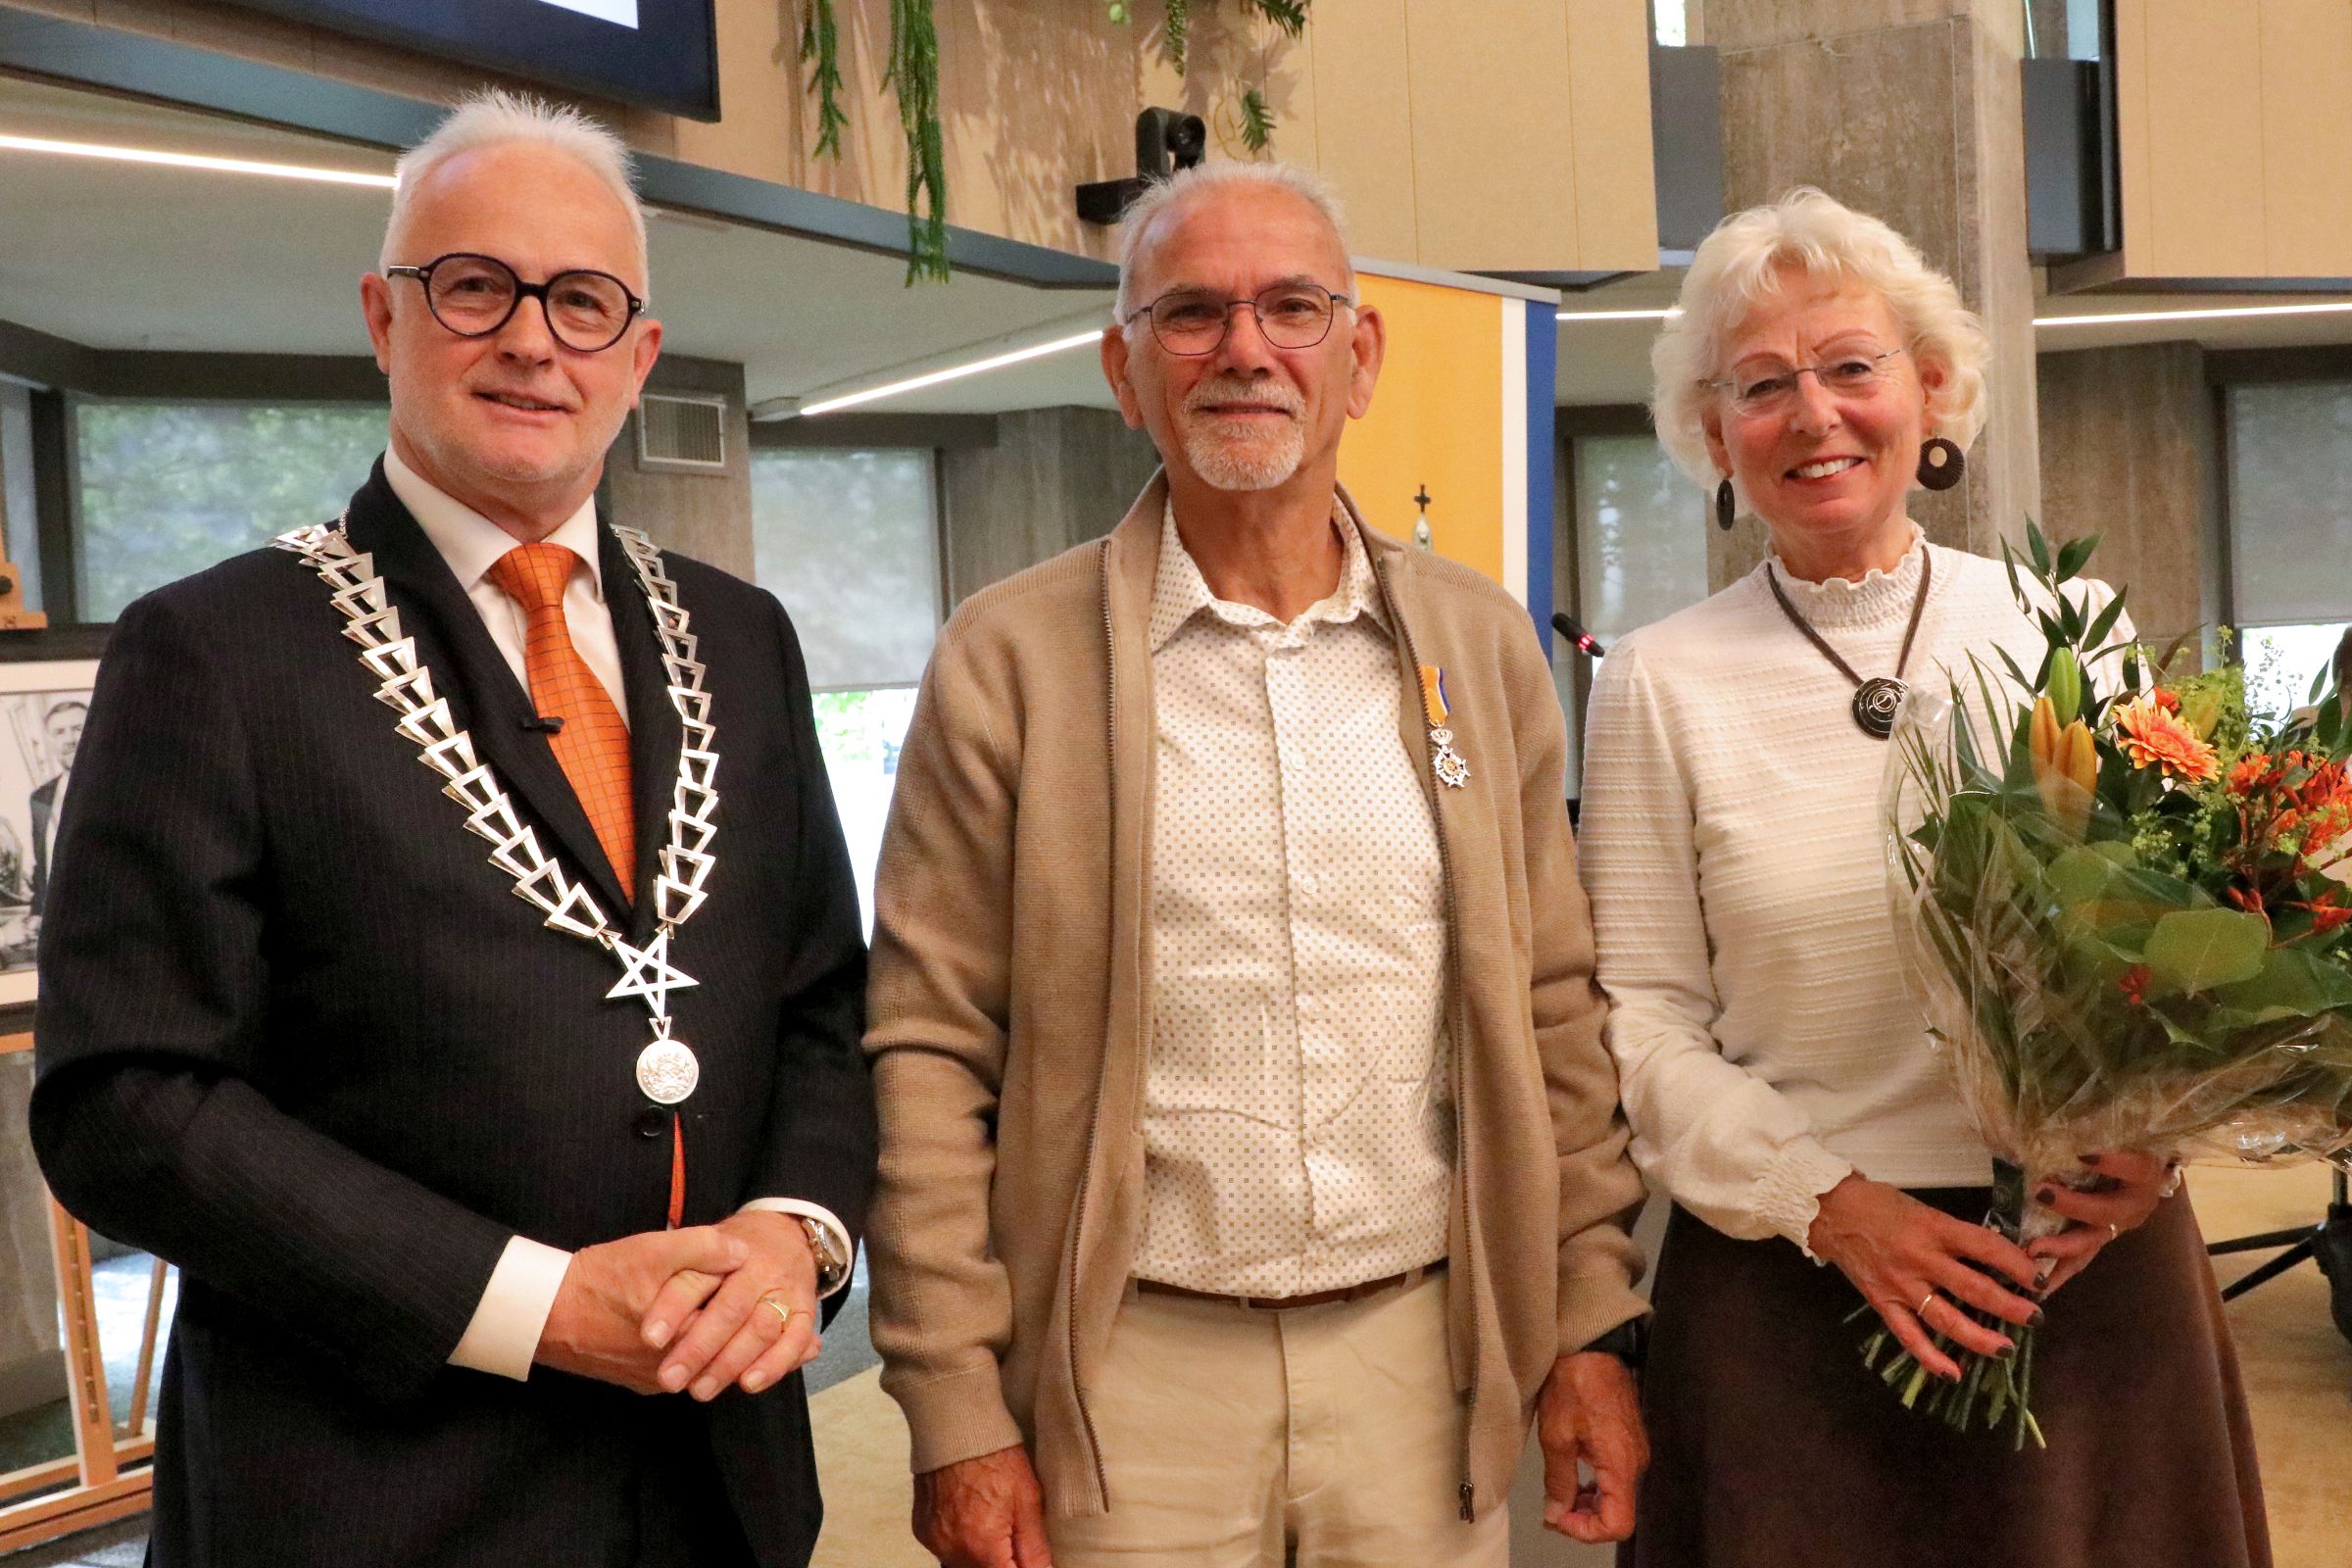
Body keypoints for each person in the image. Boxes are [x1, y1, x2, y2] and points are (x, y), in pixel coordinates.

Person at [30, 90, 874, 1568]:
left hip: (716, 1490)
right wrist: (537, 1306)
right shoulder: (217, 652)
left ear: (642, 354)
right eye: (475, 285)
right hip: (373, 1499)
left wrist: (797, 1231)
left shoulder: (745, 641)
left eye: (584, 300)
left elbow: (817, 1006)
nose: (533, 338)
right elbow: (127, 1102)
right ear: (384, 316)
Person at [863, 159, 1648, 1568]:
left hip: (1423, 1358)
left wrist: (1587, 1323)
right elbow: (928, 1055)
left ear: (1359, 357)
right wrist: (955, 1406)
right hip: (1125, 1378)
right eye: (1191, 314)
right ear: (1124, 368)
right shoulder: (1010, 661)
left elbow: (1554, 1011)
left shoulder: (1479, 648)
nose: (1244, 350)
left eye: (1292, 307)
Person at [1577, 187, 2269, 1567]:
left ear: (1933, 389)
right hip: (1799, 1304)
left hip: (2081, 1276)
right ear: (1713, 435)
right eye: (1761, 386)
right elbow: (1639, 1018)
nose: (1813, 413)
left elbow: (2192, 925)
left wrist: (2161, 1141)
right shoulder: (1659, 679)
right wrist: (1832, 1207)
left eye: (1851, 366)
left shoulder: (2069, 627)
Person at [28, 696, 82, 916]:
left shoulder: (129, 789)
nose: (69, 739)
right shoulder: (40, 798)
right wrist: (36, 917)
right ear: (50, 741)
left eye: (78, 728)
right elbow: (43, 869)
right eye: (59, 732)